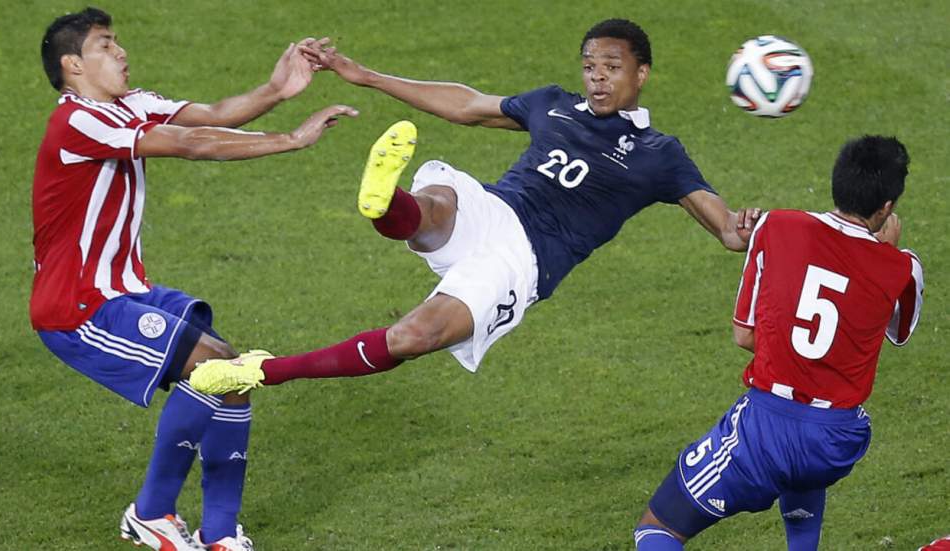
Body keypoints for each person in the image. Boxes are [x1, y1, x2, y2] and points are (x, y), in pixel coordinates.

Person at [188, 19, 761, 394]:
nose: (597, 78)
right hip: (493, 208)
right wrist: (363, 76)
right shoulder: (552, 105)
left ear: (642, 73)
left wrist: (750, 226)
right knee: (442, 200)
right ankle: (389, 204)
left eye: (611, 67)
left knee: (410, 339)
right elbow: (466, 105)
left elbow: (729, 233)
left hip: (521, 264)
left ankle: (259, 370)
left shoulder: (661, 156)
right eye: (590, 65)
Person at [32, 8, 356, 551]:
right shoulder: (76, 121)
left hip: (125, 290)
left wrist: (278, 89)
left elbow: (215, 116)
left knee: (228, 370)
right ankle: (151, 512)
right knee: (209, 367)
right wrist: (290, 140)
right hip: (76, 308)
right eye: (106, 46)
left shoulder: (129, 106)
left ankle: (221, 534)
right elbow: (190, 144)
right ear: (73, 65)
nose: (121, 53)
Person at [632, 135, 923, 550]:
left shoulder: (777, 225)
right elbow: (897, 332)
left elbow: (744, 334)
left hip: (766, 429)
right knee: (803, 469)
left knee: (657, 528)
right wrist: (884, 251)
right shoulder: (903, 268)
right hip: (837, 439)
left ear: (837, 183)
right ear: (888, 207)